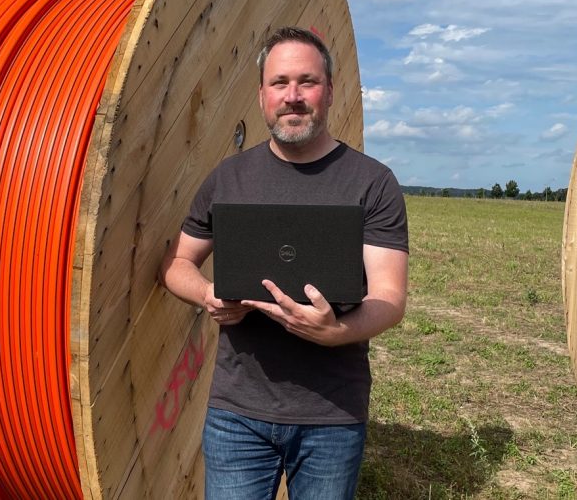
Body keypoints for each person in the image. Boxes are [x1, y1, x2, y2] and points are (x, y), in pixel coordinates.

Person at [158, 26, 409, 500]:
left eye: (307, 82)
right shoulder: (228, 178)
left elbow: (389, 297)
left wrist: (337, 332)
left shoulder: (372, 183)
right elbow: (176, 264)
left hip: (331, 415)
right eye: (279, 83)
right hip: (236, 414)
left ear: (330, 91)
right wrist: (207, 294)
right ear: (261, 95)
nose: (292, 97)